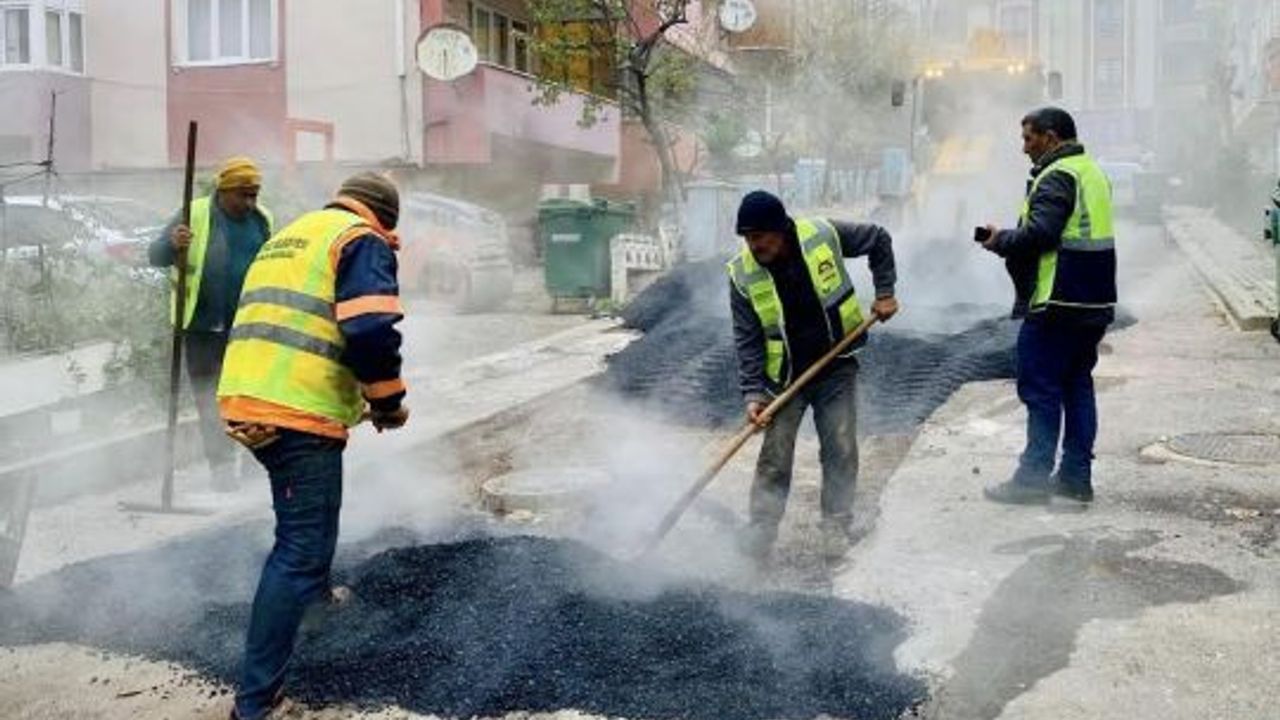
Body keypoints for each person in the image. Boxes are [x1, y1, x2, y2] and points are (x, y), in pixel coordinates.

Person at [217, 172, 409, 720]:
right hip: (295, 411)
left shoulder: (296, 235)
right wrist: (387, 401)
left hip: (250, 395)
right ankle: (256, 703)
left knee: (313, 523)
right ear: (385, 219)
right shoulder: (361, 239)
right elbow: (370, 329)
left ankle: (318, 604)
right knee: (300, 548)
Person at [729, 190, 899, 562]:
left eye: (759, 236)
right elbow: (747, 338)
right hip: (785, 379)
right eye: (747, 238)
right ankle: (761, 531)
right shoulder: (742, 273)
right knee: (775, 457)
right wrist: (753, 394)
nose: (753, 246)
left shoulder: (822, 234)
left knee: (840, 447)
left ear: (779, 229)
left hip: (835, 365)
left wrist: (885, 291)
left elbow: (878, 239)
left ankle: (836, 527)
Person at [978, 107, 1117, 505]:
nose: (1024, 148)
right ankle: (1075, 479)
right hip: (1093, 300)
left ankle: (1032, 480)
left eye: (1029, 138)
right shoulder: (1091, 171)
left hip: (1057, 300)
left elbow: (1040, 234)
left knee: (1040, 389)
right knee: (1077, 386)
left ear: (1051, 137)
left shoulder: (1057, 175)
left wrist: (999, 240)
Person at [149, 156, 274, 491]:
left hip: (249, 328)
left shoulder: (262, 220)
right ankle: (221, 468)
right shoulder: (196, 214)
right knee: (210, 401)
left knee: (251, 397)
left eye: (254, 195)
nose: (250, 203)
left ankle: (254, 462)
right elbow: (154, 256)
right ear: (224, 191)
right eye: (243, 195)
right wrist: (172, 244)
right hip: (202, 328)